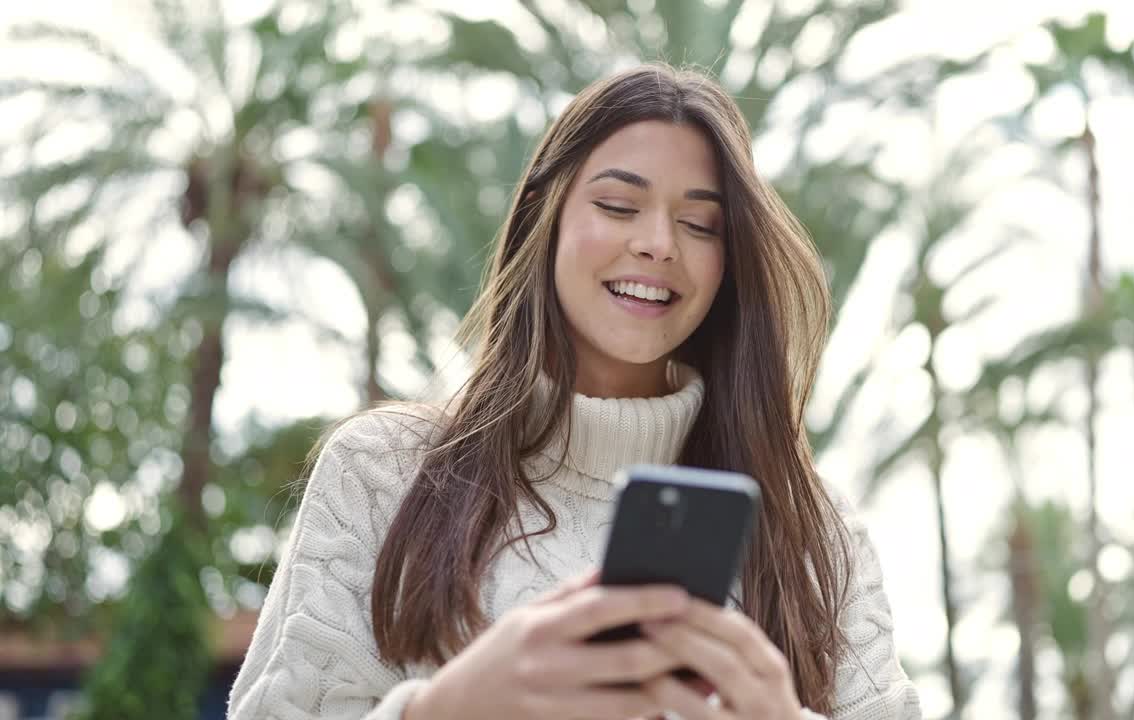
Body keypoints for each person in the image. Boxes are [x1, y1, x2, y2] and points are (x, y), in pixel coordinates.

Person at [227, 63, 921, 720]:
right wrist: (448, 708)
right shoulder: (383, 472)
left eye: (701, 224)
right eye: (619, 204)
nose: (657, 243)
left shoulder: (814, 531)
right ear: (544, 211)